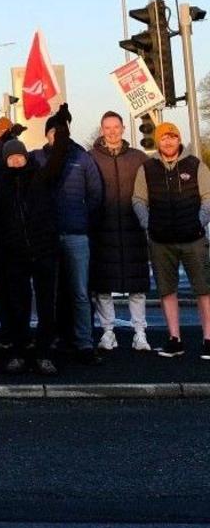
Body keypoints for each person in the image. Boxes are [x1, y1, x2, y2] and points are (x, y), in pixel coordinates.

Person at [31, 104, 103, 365]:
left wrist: (81, 218)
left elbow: (95, 195)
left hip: (75, 233)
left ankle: (84, 342)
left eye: (60, 131)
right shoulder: (37, 158)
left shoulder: (82, 158)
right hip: (46, 236)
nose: (56, 135)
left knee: (80, 291)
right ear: (47, 134)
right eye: (52, 131)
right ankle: (51, 338)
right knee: (49, 294)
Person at [132, 123, 210, 359]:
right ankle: (174, 339)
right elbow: (138, 199)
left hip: (193, 239)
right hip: (160, 240)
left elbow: (208, 197)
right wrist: (148, 224)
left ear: (179, 140)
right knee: (167, 290)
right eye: (163, 138)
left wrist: (199, 222)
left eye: (172, 137)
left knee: (204, 289)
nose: (168, 142)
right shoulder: (147, 168)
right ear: (157, 141)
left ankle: (208, 338)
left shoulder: (195, 165)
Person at [0, 139, 60, 375]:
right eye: (10, 157)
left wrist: (60, 130)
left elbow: (57, 160)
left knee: (46, 306)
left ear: (25, 156)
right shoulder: (0, 183)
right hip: (14, 254)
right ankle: (18, 352)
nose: (15, 160)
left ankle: (44, 354)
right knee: (18, 306)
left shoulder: (40, 177)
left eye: (18, 156)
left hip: (43, 250)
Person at [89, 111, 151, 352]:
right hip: (102, 231)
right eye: (108, 127)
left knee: (138, 287)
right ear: (102, 129)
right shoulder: (91, 157)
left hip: (133, 229)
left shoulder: (139, 158)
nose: (112, 132)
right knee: (102, 287)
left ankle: (140, 333)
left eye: (116, 127)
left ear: (123, 128)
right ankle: (107, 332)